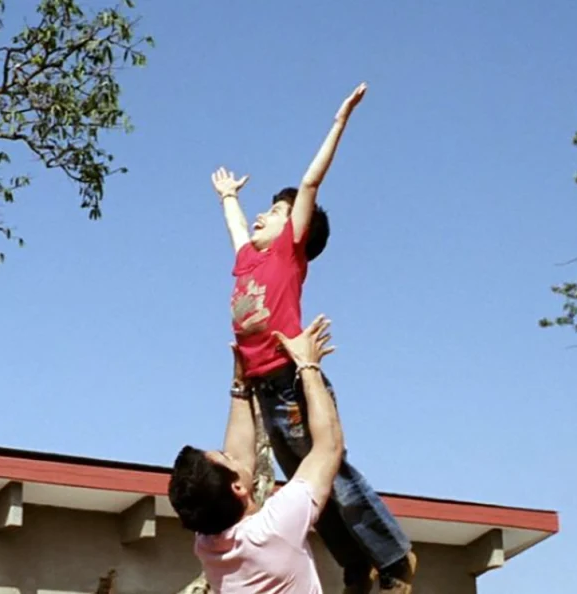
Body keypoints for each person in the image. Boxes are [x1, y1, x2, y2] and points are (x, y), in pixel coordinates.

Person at [210, 83, 416, 594]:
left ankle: (394, 558)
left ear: (293, 231)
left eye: (274, 212)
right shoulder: (248, 260)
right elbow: (237, 228)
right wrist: (229, 197)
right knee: (307, 488)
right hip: (263, 389)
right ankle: (354, 563)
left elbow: (309, 181)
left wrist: (339, 121)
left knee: (332, 471)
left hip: (290, 384)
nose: (264, 215)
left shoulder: (286, 255)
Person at [169, 314, 343, 593]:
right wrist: (308, 365)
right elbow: (328, 447)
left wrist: (240, 386)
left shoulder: (208, 544)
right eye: (227, 458)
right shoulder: (274, 530)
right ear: (237, 487)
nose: (233, 454)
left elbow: (239, 458)